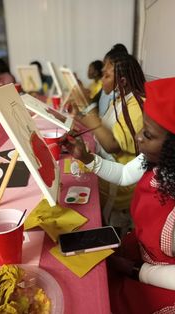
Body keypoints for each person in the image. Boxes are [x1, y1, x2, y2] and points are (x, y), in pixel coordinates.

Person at [62, 74, 175, 313]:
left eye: (148, 134)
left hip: (170, 279)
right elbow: (125, 174)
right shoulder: (161, 160)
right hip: (141, 252)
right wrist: (87, 158)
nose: (137, 137)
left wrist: (135, 270)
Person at [67, 52, 146, 235]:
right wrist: (79, 115)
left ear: (123, 81)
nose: (102, 80)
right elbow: (102, 126)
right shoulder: (120, 101)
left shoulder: (135, 108)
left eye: (107, 75)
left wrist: (88, 107)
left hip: (118, 188)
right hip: (108, 175)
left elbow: (111, 145)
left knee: (106, 227)